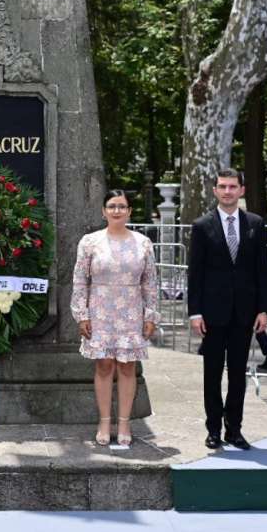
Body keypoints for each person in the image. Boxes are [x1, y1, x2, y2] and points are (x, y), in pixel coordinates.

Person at [187, 168, 267, 450]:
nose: (227, 191)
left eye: (232, 187)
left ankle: (234, 429)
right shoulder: (202, 226)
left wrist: (264, 309)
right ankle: (213, 430)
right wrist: (194, 312)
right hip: (211, 314)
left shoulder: (256, 224)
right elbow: (194, 274)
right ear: (215, 190)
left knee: (238, 374)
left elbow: (262, 270)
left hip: (244, 314)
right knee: (212, 374)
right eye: (222, 186)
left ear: (241, 190)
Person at [70, 190, 160, 446]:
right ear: (103, 211)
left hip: (131, 310)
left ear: (130, 211)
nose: (117, 210)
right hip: (100, 310)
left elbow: (150, 282)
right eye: (112, 206)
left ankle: (124, 423)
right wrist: (81, 314)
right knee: (104, 365)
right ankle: (104, 421)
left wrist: (150, 314)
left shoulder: (143, 243)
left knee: (128, 367)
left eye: (122, 206)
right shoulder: (89, 242)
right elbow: (79, 279)